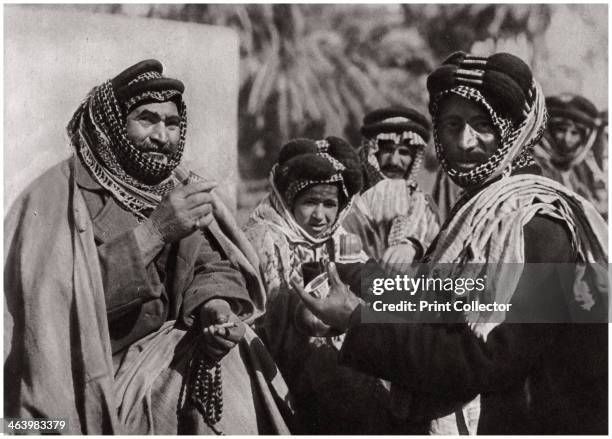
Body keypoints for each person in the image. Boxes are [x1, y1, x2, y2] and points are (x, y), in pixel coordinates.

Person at [295, 52, 608, 435]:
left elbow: (483, 356)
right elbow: (439, 296)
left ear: (516, 130)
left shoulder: (535, 222)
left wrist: (356, 322)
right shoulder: (483, 205)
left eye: (483, 125)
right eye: (452, 124)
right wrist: (356, 274)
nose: (465, 141)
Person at [4, 59, 292, 434]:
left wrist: (215, 309)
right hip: (88, 382)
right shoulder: (57, 195)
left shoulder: (171, 188)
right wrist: (154, 232)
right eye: (147, 119)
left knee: (239, 351)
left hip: (157, 365)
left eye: (172, 124)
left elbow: (209, 263)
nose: (162, 136)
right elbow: (55, 314)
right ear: (113, 125)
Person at [244, 137, 406, 434]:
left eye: (329, 203)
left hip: (333, 346)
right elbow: (277, 321)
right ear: (289, 200)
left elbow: (365, 274)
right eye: (309, 202)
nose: (320, 216)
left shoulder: (336, 233)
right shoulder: (267, 238)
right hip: (282, 356)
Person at [344, 107, 440, 271]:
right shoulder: (346, 199)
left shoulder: (424, 207)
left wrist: (413, 247)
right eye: (388, 150)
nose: (394, 161)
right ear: (373, 151)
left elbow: (440, 250)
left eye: (404, 152)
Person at [535, 93, 608, 219]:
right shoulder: (536, 163)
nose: (567, 138)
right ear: (550, 130)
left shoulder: (578, 166)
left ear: (583, 138)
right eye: (561, 130)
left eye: (574, 133)